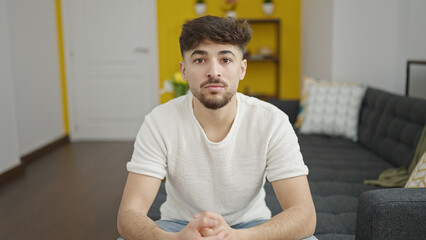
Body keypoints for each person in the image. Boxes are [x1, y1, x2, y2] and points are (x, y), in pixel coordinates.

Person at [117, 15, 317, 240]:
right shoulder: (158, 122)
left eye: (226, 59)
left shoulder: (272, 121)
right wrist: (174, 239)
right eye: (200, 60)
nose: (214, 71)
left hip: (251, 227)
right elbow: (129, 214)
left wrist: (237, 237)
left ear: (242, 69)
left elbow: (304, 215)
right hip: (178, 227)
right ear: (184, 71)